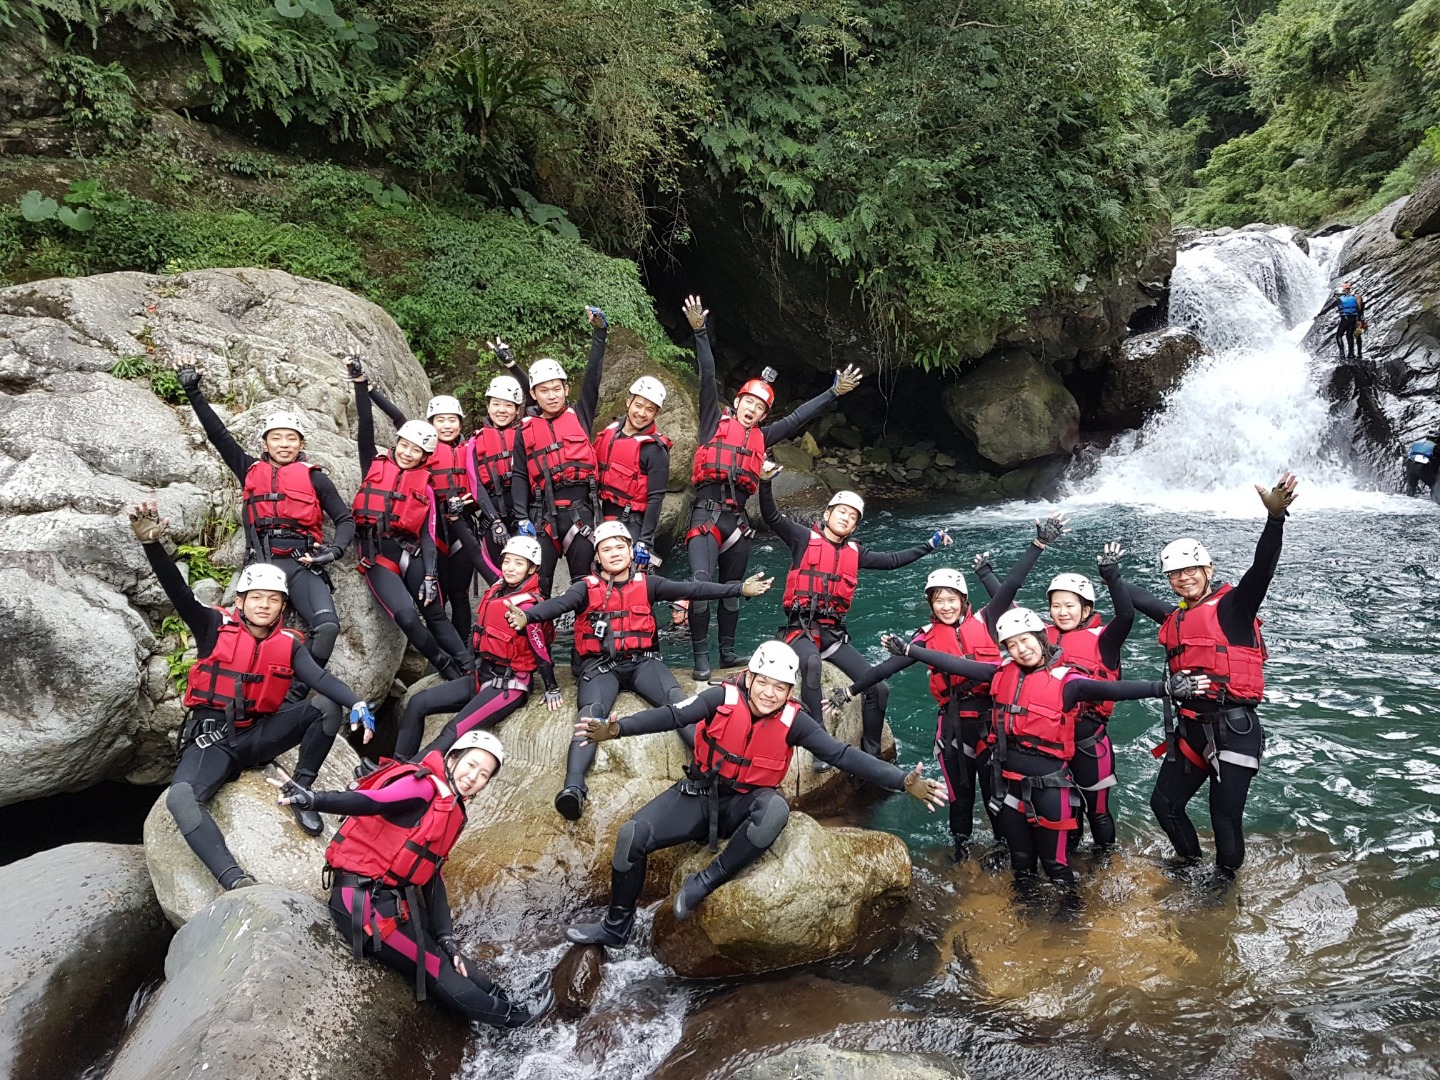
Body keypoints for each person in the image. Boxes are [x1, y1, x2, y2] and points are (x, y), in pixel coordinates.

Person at [564, 641, 947, 947]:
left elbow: (842, 754)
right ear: (749, 677)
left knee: (775, 809)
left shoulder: (794, 720)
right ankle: (616, 926)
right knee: (631, 837)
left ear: (789, 690)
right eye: (763, 681)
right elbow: (674, 715)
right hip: (698, 793)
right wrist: (618, 730)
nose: (769, 692)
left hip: (746, 803)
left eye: (779, 687)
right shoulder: (720, 698)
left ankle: (705, 882)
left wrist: (900, 780)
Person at [130, 501, 374, 888]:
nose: (264, 604)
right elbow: (177, 592)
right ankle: (234, 879)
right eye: (256, 597)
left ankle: (301, 788)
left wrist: (356, 701)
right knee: (181, 798)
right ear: (240, 601)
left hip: (258, 735)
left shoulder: (289, 645)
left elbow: (320, 680)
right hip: (213, 741)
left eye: (273, 599)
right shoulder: (212, 627)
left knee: (327, 706)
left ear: (282, 606)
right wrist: (152, 546)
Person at [883, 610, 1208, 896]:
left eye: (1026, 641)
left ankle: (1070, 916)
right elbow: (952, 663)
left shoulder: (1069, 683)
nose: (1021, 649)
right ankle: (1029, 918)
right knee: (1021, 865)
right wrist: (911, 650)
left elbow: (1114, 690)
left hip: (1051, 787)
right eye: (1012, 645)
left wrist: (1163, 687)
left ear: (1041, 638)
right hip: (1010, 788)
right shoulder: (1000, 674)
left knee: (1055, 866)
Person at [271, 730, 554, 1030]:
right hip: (360, 902)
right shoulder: (422, 788)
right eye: (471, 765)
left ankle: (507, 997)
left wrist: (446, 937)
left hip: (390, 897)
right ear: (454, 758)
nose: (473, 777)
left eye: (483, 774)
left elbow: (431, 875)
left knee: (449, 954)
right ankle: (513, 1019)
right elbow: (373, 801)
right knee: (436, 967)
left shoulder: (452, 806)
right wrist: (314, 799)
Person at [823, 515, 1069, 857]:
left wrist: (1038, 545)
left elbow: (1012, 584)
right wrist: (849, 691)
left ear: (964, 600)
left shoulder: (987, 619)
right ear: (931, 605)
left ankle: (1001, 850)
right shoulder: (924, 639)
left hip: (989, 726)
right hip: (953, 727)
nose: (946, 606)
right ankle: (962, 852)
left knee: (996, 794)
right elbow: (886, 668)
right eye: (939, 600)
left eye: (952, 599)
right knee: (961, 798)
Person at [502, 520, 775, 821]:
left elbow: (694, 588)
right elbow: (558, 605)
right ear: (597, 556)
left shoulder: (649, 584)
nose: (615, 553)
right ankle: (574, 788)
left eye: (620, 547)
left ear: (631, 551)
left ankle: (716, 774)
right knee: (590, 714)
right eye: (607, 549)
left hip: (643, 662)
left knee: (679, 702)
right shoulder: (584, 588)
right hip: (600, 667)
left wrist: (739, 588)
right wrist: (528, 617)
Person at [1126, 472, 1298, 887]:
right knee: (1165, 804)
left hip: (1234, 728)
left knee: (1224, 815)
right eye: (1175, 574)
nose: (1183, 578)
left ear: (1207, 569)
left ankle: (1223, 885)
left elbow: (1262, 569)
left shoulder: (1234, 608)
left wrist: (1275, 520)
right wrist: (1108, 571)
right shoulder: (1178, 615)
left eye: (1191, 571)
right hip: (1191, 729)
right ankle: (1188, 866)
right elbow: (1131, 592)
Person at [683, 294, 864, 680]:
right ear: (738, 401)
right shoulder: (713, 421)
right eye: (748, 402)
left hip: (738, 524)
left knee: (733, 590)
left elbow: (799, 417)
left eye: (759, 407)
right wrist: (700, 332)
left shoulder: (763, 438)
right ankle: (700, 660)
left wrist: (833, 392)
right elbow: (705, 376)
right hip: (705, 516)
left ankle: (727, 652)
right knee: (700, 587)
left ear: (765, 414)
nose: (751, 409)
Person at [174, 354, 353, 670]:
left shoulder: (315, 477)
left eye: (291, 439)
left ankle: (295, 690)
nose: (284, 444)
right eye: (277, 438)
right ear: (266, 444)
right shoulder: (249, 469)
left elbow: (345, 519)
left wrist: (334, 552)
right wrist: (193, 392)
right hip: (261, 563)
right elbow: (219, 436)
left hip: (301, 564)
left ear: (301, 444)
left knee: (327, 628)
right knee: (242, 636)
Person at [759, 466, 952, 756]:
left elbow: (891, 560)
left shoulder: (854, 552)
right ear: (827, 514)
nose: (846, 518)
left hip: (833, 635)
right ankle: (819, 743)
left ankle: (872, 754)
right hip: (799, 630)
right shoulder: (802, 538)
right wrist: (764, 483)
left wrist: (928, 545)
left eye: (852, 517)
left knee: (878, 688)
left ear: (854, 527)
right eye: (841, 512)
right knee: (811, 664)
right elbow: (771, 516)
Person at [974, 540, 1134, 852]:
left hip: (1088, 741)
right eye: (1056, 605)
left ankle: (1105, 860)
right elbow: (1009, 608)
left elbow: (1126, 616)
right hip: (1054, 742)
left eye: (1070, 605)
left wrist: (1112, 577)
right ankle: (1067, 857)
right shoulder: (1039, 636)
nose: (1061, 612)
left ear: (1086, 609)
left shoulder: (1105, 642)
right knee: (1066, 810)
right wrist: (985, 575)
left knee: (1097, 810)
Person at [350, 366, 473, 680]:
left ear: (424, 456)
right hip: (378, 556)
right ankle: (446, 668)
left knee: (435, 613)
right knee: (406, 615)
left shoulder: (426, 487)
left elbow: (428, 536)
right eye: (404, 446)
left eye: (415, 450)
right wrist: (361, 385)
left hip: (412, 554)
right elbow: (365, 424)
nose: (407, 453)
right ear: (397, 444)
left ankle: (469, 667)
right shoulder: (372, 463)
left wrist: (431, 576)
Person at [393, 530, 559, 761]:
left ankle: (402, 777)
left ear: (532, 569)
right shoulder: (498, 589)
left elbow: (541, 651)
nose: (510, 568)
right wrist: (457, 523)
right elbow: (476, 554)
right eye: (507, 561)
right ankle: (397, 764)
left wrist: (552, 688)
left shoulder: (529, 607)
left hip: (508, 686)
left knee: (452, 731)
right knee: (417, 702)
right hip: (482, 677)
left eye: (518, 563)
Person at [511, 308, 609, 596]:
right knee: (538, 587)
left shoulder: (581, 415)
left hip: (581, 512)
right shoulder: (525, 428)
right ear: (533, 394)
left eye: (556, 389)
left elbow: (593, 376)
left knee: (584, 585)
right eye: (544, 390)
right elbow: (519, 474)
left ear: (566, 389)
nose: (551, 395)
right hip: (543, 517)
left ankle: (585, 642)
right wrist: (521, 518)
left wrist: (600, 334)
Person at [464, 344, 531, 581]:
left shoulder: (527, 431)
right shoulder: (474, 442)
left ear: (516, 409)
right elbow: (475, 486)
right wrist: (494, 521)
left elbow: (533, 394)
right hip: (493, 518)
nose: (501, 410)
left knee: (531, 577)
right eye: (496, 404)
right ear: (488, 405)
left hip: (525, 515)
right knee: (502, 578)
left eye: (508, 405)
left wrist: (511, 365)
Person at [593, 374, 671, 567]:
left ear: (656, 413)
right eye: (639, 405)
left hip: (632, 521)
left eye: (649, 409)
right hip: (602, 513)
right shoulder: (611, 432)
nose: (642, 413)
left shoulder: (655, 450)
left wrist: (645, 540)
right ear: (629, 402)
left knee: (632, 577)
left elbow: (656, 498)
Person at [1335, 283, 1365, 360]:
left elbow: (1358, 309)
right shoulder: (1352, 297)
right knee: (1351, 336)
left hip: (1357, 320)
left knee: (1357, 336)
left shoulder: (1355, 297)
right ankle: (1353, 354)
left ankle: (1358, 353)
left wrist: (1359, 321)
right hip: (1355, 318)